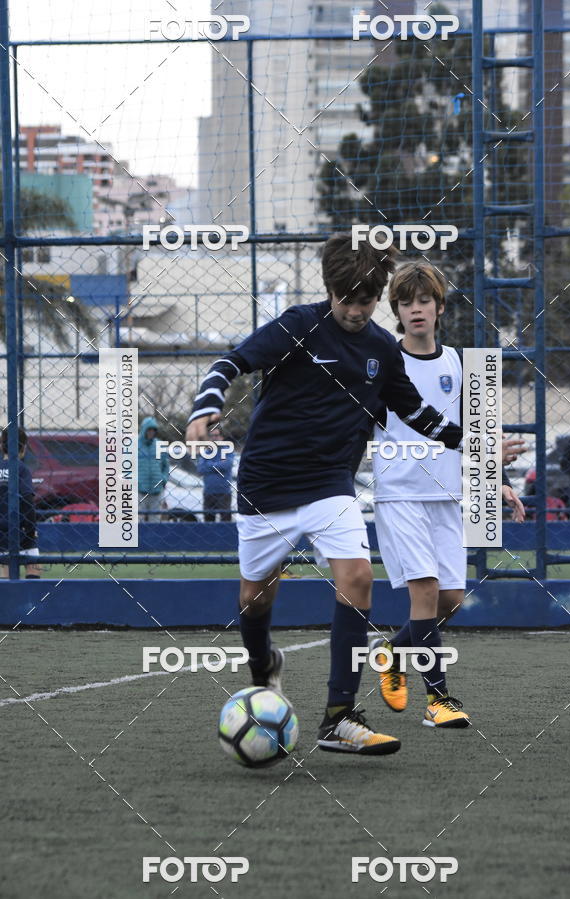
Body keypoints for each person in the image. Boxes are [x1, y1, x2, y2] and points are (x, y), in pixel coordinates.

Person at [186, 234, 466, 756]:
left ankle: (338, 717)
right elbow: (232, 363)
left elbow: (418, 414)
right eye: (347, 299)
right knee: (255, 598)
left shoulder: (383, 348)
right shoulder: (298, 324)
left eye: (366, 301)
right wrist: (204, 408)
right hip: (267, 483)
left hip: (329, 486)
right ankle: (263, 664)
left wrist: (475, 443)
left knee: (359, 577)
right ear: (329, 289)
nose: (357, 311)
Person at [369, 262, 525, 727]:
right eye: (405, 302)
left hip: (448, 497)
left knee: (451, 599)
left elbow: (469, 436)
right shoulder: (382, 364)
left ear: (439, 306)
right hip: (399, 496)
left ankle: (392, 654)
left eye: (423, 300)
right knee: (426, 591)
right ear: (395, 309)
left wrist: (493, 479)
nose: (415, 309)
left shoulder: (459, 363)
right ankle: (439, 702)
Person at [0, 426, 41, 579]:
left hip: (2, 529)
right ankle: (32, 601)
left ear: (1, 445)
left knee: (6, 568)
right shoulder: (21, 469)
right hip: (21, 527)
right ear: (23, 447)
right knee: (33, 566)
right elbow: (27, 500)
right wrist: (31, 530)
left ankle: (8, 602)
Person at [197, 423, 234, 522]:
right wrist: (218, 465)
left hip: (224, 492)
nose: (214, 438)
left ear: (221, 437)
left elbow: (227, 465)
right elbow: (200, 469)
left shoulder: (227, 450)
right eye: (212, 436)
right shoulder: (205, 452)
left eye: (216, 435)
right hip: (209, 492)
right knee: (208, 523)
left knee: (225, 523)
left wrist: (209, 464)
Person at [138, 416, 169, 522]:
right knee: (139, 520)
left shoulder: (159, 445)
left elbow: (166, 465)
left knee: (155, 520)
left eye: (153, 430)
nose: (151, 432)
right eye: (149, 430)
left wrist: (163, 479)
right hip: (140, 490)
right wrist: (134, 481)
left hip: (157, 490)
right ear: (144, 430)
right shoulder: (135, 446)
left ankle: (153, 538)